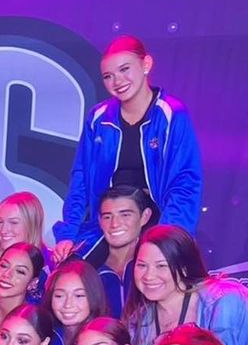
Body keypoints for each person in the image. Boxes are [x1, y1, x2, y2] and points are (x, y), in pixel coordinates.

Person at [53, 35, 202, 262]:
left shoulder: (171, 114)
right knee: (70, 272)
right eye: (108, 76)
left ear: (146, 64)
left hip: (157, 220)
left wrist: (167, 238)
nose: (117, 81)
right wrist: (69, 233)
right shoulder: (98, 118)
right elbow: (81, 178)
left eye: (124, 69)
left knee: (149, 272)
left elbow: (185, 182)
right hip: (108, 220)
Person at [125, 225, 248, 345]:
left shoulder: (225, 301)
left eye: (161, 266)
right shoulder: (137, 321)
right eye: (142, 265)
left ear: (184, 267)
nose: (149, 276)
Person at [94, 186, 154, 317]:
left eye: (125, 215)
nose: (115, 224)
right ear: (99, 220)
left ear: (145, 216)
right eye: (107, 217)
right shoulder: (90, 268)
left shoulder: (157, 267)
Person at [42, 259, 108, 345]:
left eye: (79, 296)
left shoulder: (105, 339)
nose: (68, 305)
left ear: (93, 296)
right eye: (59, 296)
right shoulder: (44, 334)